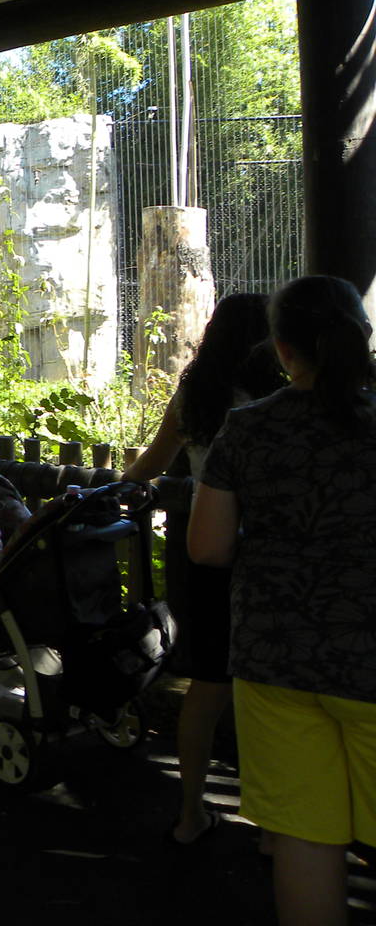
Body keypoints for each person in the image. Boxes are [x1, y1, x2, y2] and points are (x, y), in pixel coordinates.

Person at [190, 275, 376, 926]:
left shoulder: (247, 428)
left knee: (305, 839)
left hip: (274, 658)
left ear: (282, 350)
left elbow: (207, 547)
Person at [124, 292, 284, 844]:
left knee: (208, 686)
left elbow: (151, 465)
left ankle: (190, 814)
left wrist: (119, 486)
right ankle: (274, 826)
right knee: (268, 691)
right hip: (267, 556)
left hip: (202, 551)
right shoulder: (277, 396)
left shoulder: (197, 394)